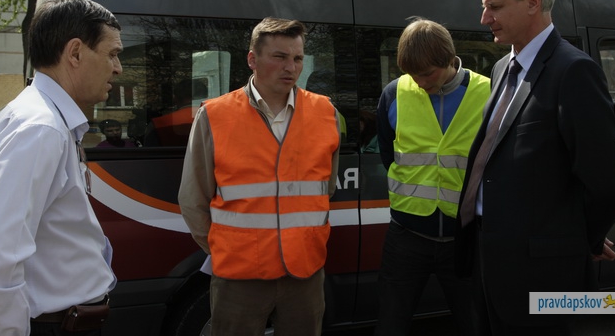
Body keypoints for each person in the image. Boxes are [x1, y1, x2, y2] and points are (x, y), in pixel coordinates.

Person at [455, 0, 615, 335]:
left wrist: (582, 238)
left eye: (494, 7)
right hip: (488, 262)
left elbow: (610, 183)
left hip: (543, 275)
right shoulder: (502, 68)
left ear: (532, 1)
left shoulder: (574, 71)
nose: (484, 18)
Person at [178, 17, 341, 336]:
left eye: (297, 58)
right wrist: (225, 249)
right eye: (279, 57)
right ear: (252, 59)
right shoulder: (215, 115)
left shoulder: (326, 113)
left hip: (304, 274)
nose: (291, 67)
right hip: (239, 278)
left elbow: (326, 189)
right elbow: (193, 198)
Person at [0, 0, 121, 335]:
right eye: (112, 54)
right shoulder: (41, 129)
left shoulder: (38, 118)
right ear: (75, 53)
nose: (118, 68)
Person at [374, 17, 491, 336]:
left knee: (476, 325)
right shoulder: (394, 93)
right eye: (413, 74)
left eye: (428, 73)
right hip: (406, 235)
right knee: (390, 325)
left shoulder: (489, 93)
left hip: (465, 237)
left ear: (450, 60)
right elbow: (388, 155)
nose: (420, 82)